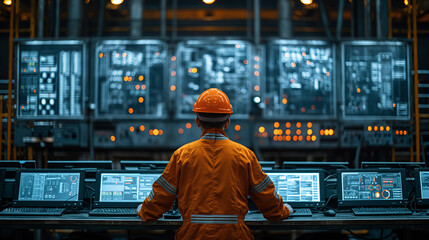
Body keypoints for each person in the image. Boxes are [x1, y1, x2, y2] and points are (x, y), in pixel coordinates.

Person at [137, 88, 292, 239]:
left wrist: (144, 211)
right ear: (228, 122)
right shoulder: (245, 155)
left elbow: (160, 197)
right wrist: (284, 210)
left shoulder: (182, 155)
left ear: (197, 121)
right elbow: (269, 203)